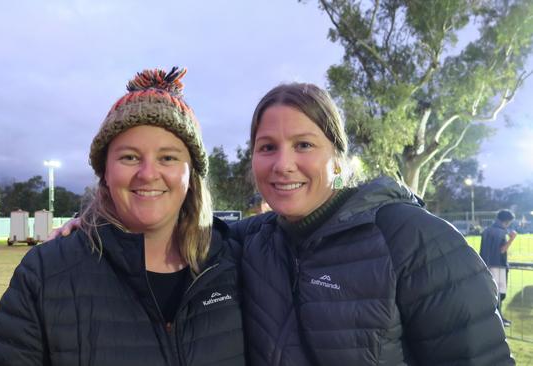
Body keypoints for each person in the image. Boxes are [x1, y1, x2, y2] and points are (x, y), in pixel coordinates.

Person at [53, 82, 514, 365]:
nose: (283, 164)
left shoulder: (412, 238)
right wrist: (94, 222)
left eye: (304, 145)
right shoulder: (250, 242)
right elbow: (163, 219)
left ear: (337, 157)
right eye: (267, 147)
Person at [0, 67, 246, 366]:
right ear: (105, 171)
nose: (147, 174)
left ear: (191, 173)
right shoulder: (46, 273)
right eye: (129, 157)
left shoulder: (238, 261)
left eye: (168, 158)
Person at [480, 209, 517, 327]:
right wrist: (512, 239)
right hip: (498, 266)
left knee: (492, 293)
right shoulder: (501, 232)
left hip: (486, 265)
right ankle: (498, 318)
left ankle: (496, 317)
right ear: (507, 221)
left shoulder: (487, 230)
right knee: (500, 294)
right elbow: (501, 250)